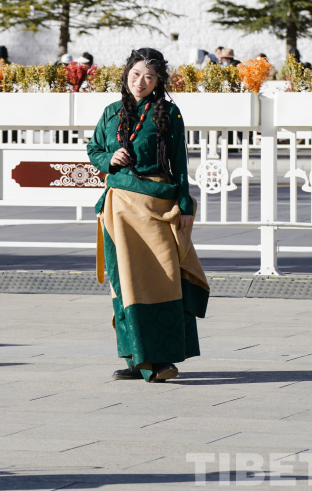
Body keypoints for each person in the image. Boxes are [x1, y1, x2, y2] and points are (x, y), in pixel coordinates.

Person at [87, 48, 210, 383]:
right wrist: (110, 159)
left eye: (149, 77)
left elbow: (179, 161)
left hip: (156, 207)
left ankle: (163, 359)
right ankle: (135, 359)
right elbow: (93, 149)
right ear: (126, 74)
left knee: (162, 279)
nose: (140, 82)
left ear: (158, 81)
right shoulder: (111, 112)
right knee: (125, 282)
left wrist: (184, 204)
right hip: (118, 209)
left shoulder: (168, 112)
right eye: (136, 74)